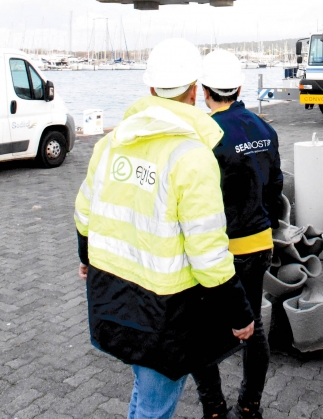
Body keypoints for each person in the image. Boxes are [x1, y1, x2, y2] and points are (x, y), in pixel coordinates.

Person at [74, 39, 254, 419]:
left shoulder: (109, 145)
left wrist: (85, 258)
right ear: (193, 92)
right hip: (164, 311)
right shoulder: (192, 157)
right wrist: (240, 315)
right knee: (155, 406)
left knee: (146, 390)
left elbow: (84, 214)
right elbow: (208, 256)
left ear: (152, 89)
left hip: (113, 294)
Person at [193, 49, 284, 419]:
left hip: (221, 249)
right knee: (253, 326)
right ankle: (249, 405)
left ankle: (214, 409)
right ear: (240, 86)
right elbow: (276, 187)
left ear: (203, 91)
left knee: (200, 331)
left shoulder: (207, 135)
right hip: (260, 243)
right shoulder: (265, 129)